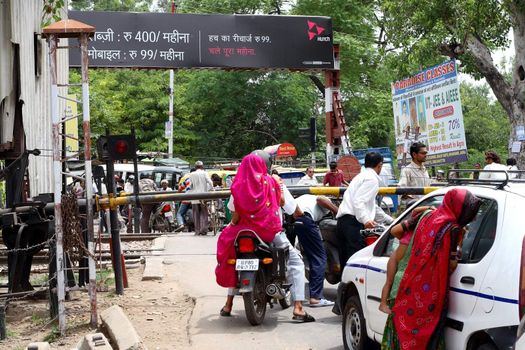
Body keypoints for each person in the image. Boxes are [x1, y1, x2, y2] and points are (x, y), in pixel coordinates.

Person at [216, 151, 314, 323]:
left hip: (244, 232)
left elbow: (236, 214)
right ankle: (298, 308)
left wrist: (231, 226)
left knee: (232, 255)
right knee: (296, 262)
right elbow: (283, 203)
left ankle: (228, 303)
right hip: (270, 233)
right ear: (266, 165)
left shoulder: (238, 186)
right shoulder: (272, 182)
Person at [381, 189, 481, 350]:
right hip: (425, 295)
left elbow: (396, 231)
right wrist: (460, 245)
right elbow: (451, 265)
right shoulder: (452, 228)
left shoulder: (427, 216)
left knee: (399, 330)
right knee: (423, 337)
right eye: (469, 212)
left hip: (406, 284)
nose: (472, 217)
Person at [378, 205, 434, 314]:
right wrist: (429, 208)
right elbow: (415, 211)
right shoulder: (410, 229)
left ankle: (384, 303)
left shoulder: (420, 233)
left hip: (401, 259)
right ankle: (383, 304)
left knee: (391, 282)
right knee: (389, 282)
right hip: (397, 258)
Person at [335, 152, 384, 269]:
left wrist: (390, 219)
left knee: (346, 261)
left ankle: (345, 286)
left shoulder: (360, 177)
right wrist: (366, 220)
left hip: (344, 222)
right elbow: (359, 201)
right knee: (356, 263)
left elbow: (370, 204)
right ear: (380, 165)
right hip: (353, 223)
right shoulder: (372, 179)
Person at [293, 194, 338, 307]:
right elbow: (321, 199)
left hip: (293, 220)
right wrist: (336, 210)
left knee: (295, 258)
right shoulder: (325, 199)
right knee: (319, 258)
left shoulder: (305, 197)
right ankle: (316, 298)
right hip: (305, 219)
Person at [187, 161, 213, 235]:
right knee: (204, 213)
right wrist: (212, 189)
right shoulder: (204, 173)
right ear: (202, 167)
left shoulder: (191, 174)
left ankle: (197, 231)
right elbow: (210, 182)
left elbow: (190, 185)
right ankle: (203, 230)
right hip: (203, 196)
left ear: (195, 167)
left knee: (196, 214)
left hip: (194, 196)